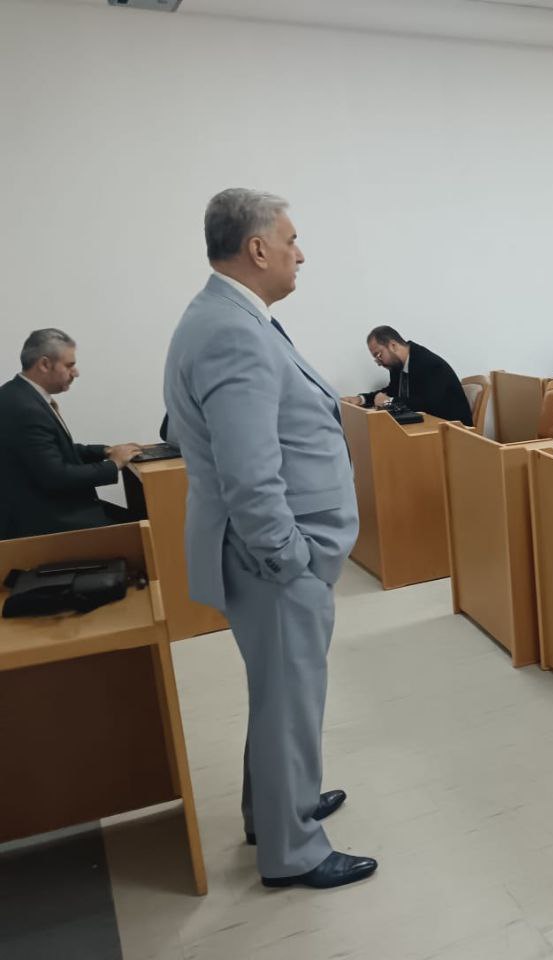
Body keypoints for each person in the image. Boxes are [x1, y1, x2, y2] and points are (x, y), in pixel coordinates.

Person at [163, 188, 375, 890]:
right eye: (290, 240)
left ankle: (277, 810)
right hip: (272, 561)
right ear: (257, 248)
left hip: (267, 556)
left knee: (280, 692)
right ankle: (295, 851)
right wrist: (290, 561)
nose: (299, 253)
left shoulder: (228, 316)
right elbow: (249, 474)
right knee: (289, 698)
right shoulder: (231, 330)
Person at [0, 329, 142, 540]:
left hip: (50, 509)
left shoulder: (18, 394)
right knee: (147, 528)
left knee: (142, 518)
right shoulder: (25, 408)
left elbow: (53, 451)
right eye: (69, 365)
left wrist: (105, 451)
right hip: (46, 522)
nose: (76, 373)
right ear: (45, 364)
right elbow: (56, 477)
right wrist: (113, 465)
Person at [347, 326, 472, 425]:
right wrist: (361, 399)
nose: (378, 363)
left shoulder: (428, 363)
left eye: (379, 355)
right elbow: (391, 391)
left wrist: (388, 402)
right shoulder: (397, 366)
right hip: (426, 426)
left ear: (393, 346)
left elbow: (427, 404)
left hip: (453, 429)